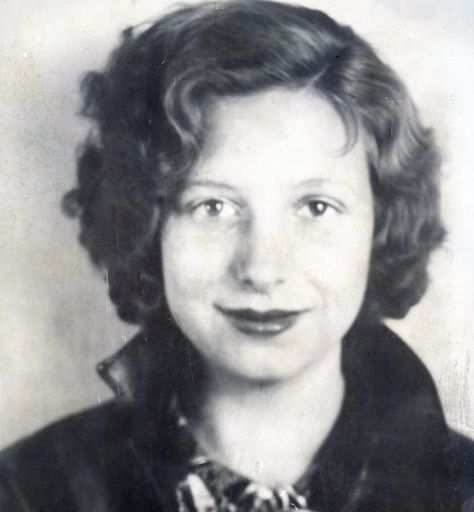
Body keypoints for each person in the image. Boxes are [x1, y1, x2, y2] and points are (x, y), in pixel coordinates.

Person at [1, 1, 473, 510]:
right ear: (146, 225)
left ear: (382, 222)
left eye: (316, 206)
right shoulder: (29, 490)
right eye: (213, 207)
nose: (261, 269)